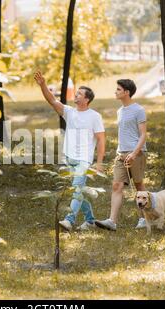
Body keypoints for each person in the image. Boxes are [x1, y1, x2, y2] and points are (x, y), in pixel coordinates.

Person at [34, 71, 105, 231]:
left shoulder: (95, 116)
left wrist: (99, 163)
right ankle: (90, 220)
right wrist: (43, 85)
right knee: (78, 190)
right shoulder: (69, 112)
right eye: (77, 92)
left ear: (86, 99)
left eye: (80, 94)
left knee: (77, 189)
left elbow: (101, 139)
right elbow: (52, 100)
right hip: (69, 158)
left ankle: (69, 220)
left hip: (83, 159)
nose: (76, 95)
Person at [95, 79, 147, 231]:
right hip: (121, 154)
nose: (115, 92)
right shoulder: (120, 111)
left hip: (136, 153)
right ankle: (112, 221)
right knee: (117, 185)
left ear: (127, 92)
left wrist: (134, 153)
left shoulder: (139, 110)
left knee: (139, 185)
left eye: (118, 89)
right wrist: (122, 152)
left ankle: (144, 219)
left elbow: (143, 135)